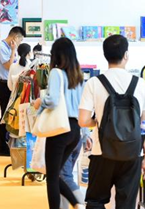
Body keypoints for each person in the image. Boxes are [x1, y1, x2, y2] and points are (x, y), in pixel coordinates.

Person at [78, 35, 145, 210]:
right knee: (126, 204)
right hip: (133, 153)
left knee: (95, 201)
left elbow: (83, 120)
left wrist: (97, 121)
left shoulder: (94, 83)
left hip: (101, 151)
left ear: (105, 55)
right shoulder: (141, 84)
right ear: (126, 55)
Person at [32, 37, 84, 209]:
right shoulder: (79, 76)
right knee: (55, 175)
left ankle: (75, 203)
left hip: (59, 129)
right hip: (75, 130)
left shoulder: (56, 73)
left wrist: (40, 102)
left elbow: (53, 100)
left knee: (52, 178)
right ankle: (77, 203)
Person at [0, 26, 26, 156]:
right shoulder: (2, 47)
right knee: (5, 116)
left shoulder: (9, 48)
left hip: (8, 84)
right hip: (3, 85)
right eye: (20, 40)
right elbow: (9, 66)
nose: (20, 42)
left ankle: (6, 145)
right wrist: (13, 51)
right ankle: (2, 147)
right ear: (15, 37)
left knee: (9, 115)